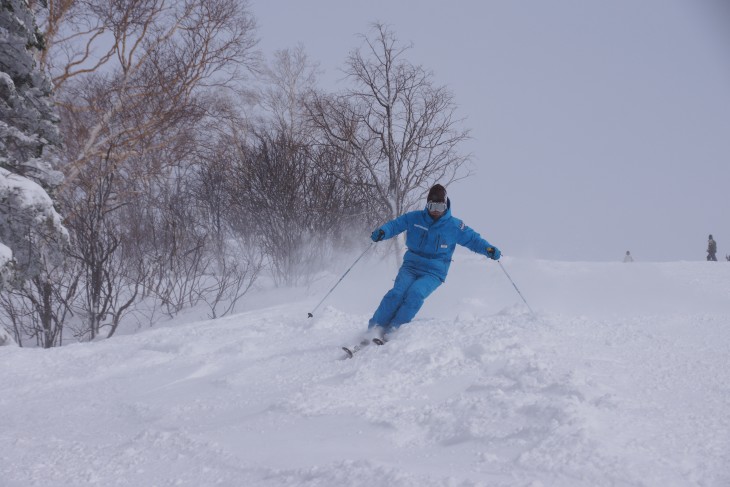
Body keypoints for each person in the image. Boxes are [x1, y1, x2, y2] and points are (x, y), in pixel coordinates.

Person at [366, 184, 500, 340]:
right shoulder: (414, 218)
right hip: (411, 266)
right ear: (427, 204)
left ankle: (394, 330)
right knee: (397, 293)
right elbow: (395, 225)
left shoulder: (454, 226)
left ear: (446, 205)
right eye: (432, 205)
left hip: (434, 271)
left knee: (415, 294)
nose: (435, 210)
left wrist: (488, 249)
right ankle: (375, 328)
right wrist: (383, 232)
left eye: (439, 206)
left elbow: (473, 240)